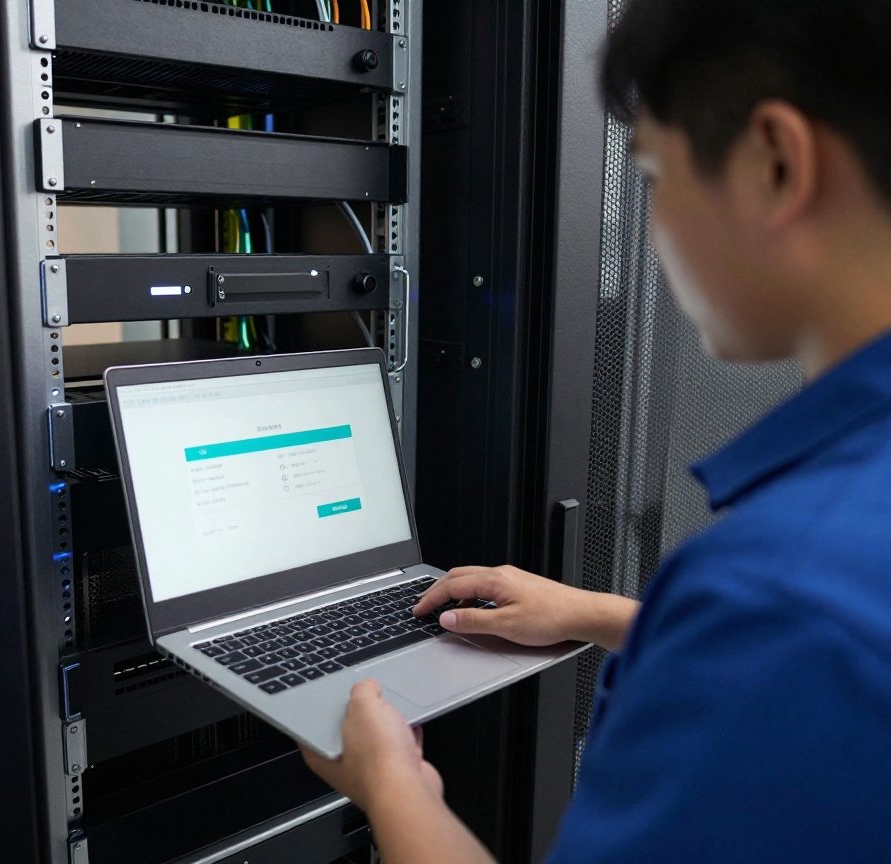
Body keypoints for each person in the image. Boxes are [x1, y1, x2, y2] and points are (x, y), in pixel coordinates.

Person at [300, 0, 891, 860]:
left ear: (775, 162)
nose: (652, 227)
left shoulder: (779, 593)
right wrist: (600, 614)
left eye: (652, 177)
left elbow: (794, 635)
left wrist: (391, 785)